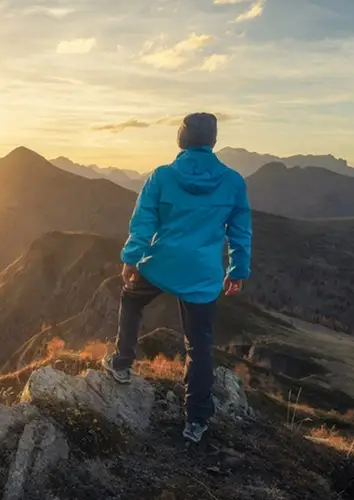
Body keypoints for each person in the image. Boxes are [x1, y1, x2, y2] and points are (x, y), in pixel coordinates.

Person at [104, 112, 253, 443]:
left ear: (181, 139)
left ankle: (122, 363)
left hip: (162, 263)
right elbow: (240, 232)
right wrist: (237, 271)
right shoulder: (232, 182)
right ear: (213, 141)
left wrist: (131, 258)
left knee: (131, 299)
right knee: (198, 345)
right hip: (203, 273)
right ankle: (196, 421)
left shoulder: (161, 176)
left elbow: (144, 221)